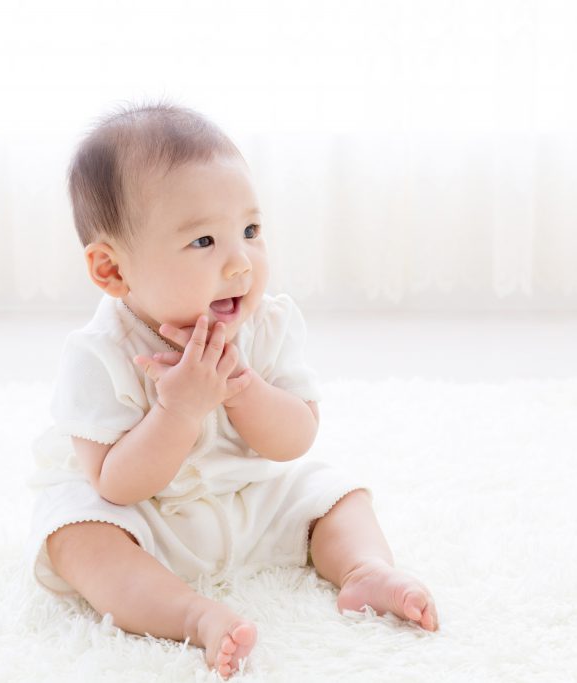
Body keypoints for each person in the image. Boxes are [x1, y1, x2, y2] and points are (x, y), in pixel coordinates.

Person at [23, 101, 438, 678]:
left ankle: (365, 571)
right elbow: (116, 484)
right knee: (77, 536)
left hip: (251, 499)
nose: (241, 263)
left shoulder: (266, 324)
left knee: (335, 492)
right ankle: (190, 616)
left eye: (250, 231)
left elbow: (296, 440)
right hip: (152, 521)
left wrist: (245, 391)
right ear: (112, 270)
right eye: (203, 242)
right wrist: (178, 408)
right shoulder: (101, 353)